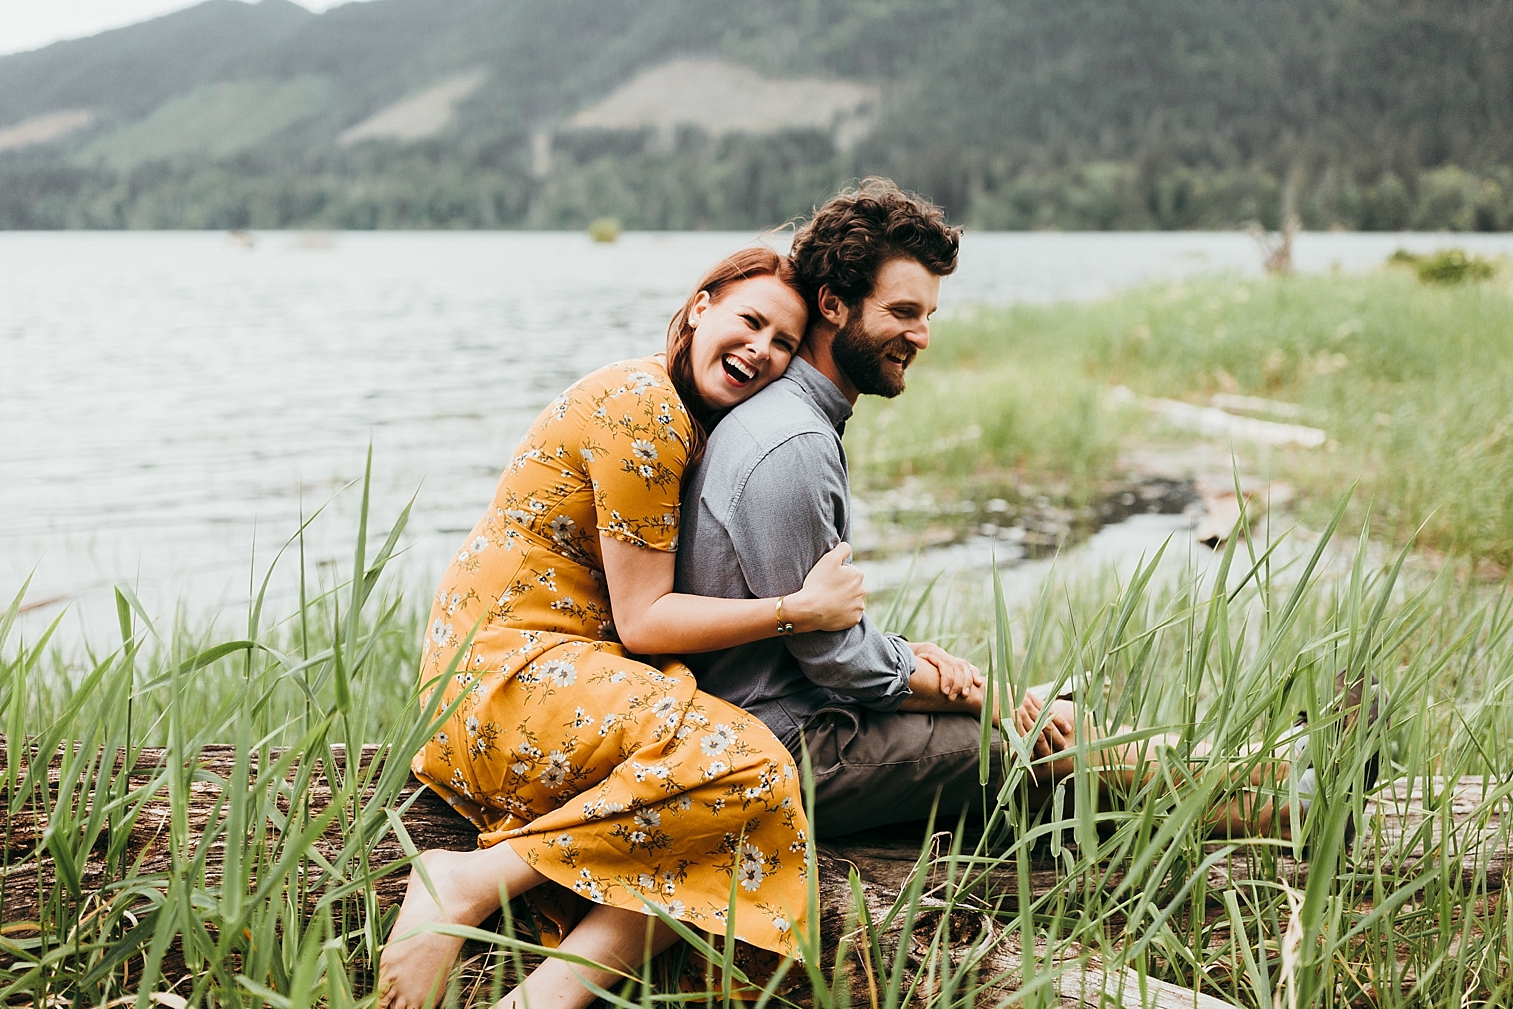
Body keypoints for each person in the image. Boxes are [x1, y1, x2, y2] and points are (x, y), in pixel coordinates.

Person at [675, 180, 1332, 839]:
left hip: (802, 716)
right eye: (903, 311)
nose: (922, 336)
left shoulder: (793, 419)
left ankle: (1276, 777)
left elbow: (822, 639)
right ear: (833, 304)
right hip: (785, 750)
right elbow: (833, 657)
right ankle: (1289, 799)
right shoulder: (792, 443)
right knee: (1031, 740)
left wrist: (928, 664)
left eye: (929, 313)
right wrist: (974, 691)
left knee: (1039, 715)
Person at [380, 247, 865, 1009]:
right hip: (509, 676)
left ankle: (541, 1000)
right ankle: (470, 880)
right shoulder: (642, 407)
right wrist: (798, 610)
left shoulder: (683, 418)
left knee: (744, 802)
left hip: (540, 677)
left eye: (782, 342)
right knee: (749, 765)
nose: (761, 350)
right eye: (749, 320)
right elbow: (644, 621)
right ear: (699, 305)